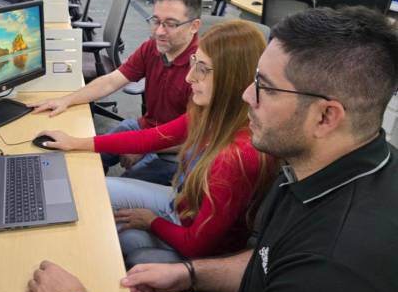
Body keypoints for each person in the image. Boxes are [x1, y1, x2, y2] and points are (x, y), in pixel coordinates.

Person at [26, 6, 398, 292]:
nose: (245, 95)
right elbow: (266, 261)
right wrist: (187, 275)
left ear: (325, 117)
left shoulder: (331, 275)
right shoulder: (315, 167)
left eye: (265, 87)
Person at [38, 21, 276, 267]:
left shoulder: (235, 156)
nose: (189, 76)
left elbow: (197, 244)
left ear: (232, 79)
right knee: (89, 189)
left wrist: (152, 221)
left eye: (202, 69)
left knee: (117, 233)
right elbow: (151, 137)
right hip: (181, 202)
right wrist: (75, 142)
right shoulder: (213, 112)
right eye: (194, 62)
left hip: (199, 246)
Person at [30, 0, 202, 185]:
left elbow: (195, 137)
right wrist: (66, 100)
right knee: (81, 157)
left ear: (194, 26)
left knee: (118, 193)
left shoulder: (203, 68)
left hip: (179, 150)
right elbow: (112, 80)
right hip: (145, 129)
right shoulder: (152, 48)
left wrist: (143, 147)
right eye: (156, 21)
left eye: (171, 24)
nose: (159, 31)